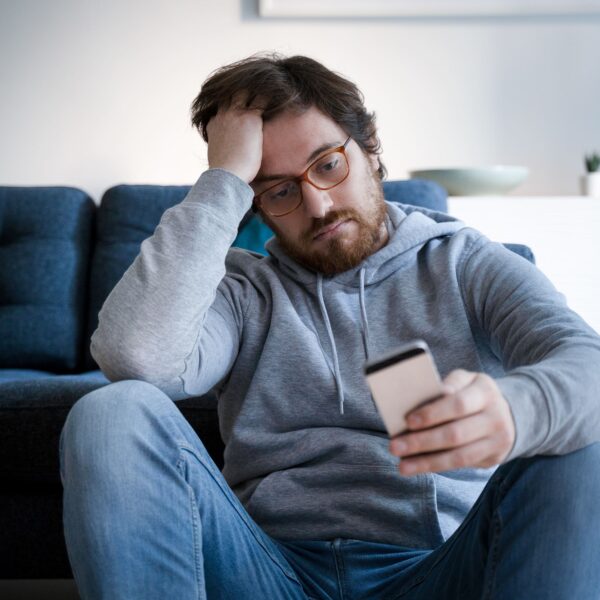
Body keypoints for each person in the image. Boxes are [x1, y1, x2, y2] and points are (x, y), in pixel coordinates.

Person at [60, 54, 600, 600]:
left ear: (370, 151)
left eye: (328, 165)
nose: (317, 205)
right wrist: (222, 180)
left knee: (576, 436)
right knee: (110, 412)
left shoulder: (462, 261)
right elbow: (136, 358)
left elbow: (588, 364)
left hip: (438, 570)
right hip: (268, 574)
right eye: (279, 191)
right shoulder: (246, 292)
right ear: (258, 205)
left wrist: (514, 411)